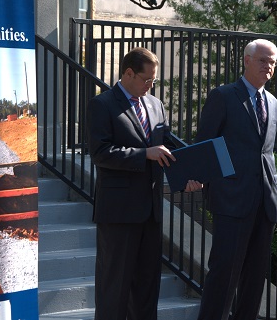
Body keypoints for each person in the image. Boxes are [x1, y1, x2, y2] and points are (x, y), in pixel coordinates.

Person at [86, 47, 202, 320]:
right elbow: (100, 154)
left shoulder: (155, 104)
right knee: (114, 287)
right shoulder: (101, 105)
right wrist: (143, 154)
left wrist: (186, 176)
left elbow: (168, 148)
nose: (151, 85)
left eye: (154, 80)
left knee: (148, 287)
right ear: (128, 73)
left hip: (150, 211)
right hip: (118, 212)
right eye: (146, 79)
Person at [194, 39, 277, 320]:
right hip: (232, 200)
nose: (268, 66)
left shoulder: (274, 103)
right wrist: (206, 181)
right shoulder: (223, 96)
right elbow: (205, 143)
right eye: (263, 60)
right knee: (224, 275)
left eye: (272, 62)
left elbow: (266, 152)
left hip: (264, 202)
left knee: (255, 278)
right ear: (246, 60)